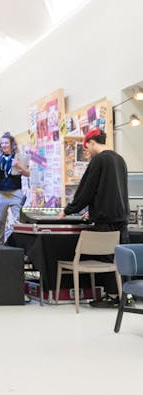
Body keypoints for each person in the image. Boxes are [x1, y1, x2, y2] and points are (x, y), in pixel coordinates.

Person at [59, 128, 129, 307]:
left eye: (86, 147)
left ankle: (111, 295)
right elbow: (114, 190)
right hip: (121, 218)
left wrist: (67, 210)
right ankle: (124, 294)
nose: (87, 152)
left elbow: (87, 190)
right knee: (120, 258)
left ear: (91, 142)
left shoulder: (98, 160)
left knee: (105, 258)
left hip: (105, 221)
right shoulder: (119, 159)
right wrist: (94, 209)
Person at [0, 132, 29, 244]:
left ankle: (20, 245)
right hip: (0, 193)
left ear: (11, 144)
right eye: (2, 143)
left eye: (6, 143)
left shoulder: (19, 157)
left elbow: (27, 173)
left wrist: (18, 166)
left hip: (16, 192)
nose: (4, 145)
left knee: (19, 221)